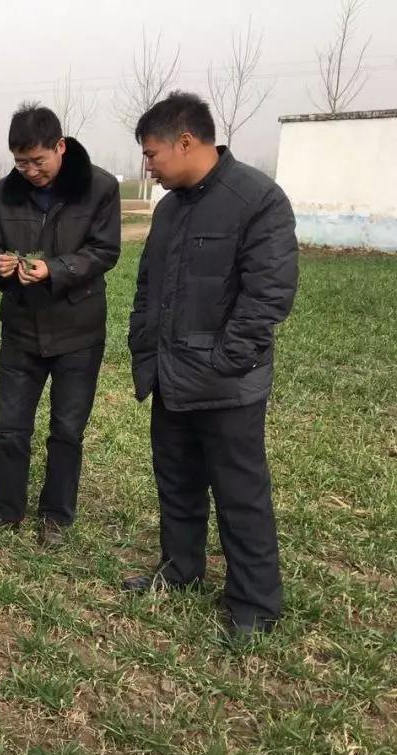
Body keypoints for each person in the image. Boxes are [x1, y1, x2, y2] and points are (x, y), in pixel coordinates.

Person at [123, 92, 299, 641]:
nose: (148, 166)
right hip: (170, 375)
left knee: (240, 493)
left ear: (185, 141)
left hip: (227, 385)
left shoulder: (257, 199)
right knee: (176, 481)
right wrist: (143, 346)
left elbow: (268, 295)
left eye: (151, 154)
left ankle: (253, 604)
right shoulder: (169, 209)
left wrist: (226, 361)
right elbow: (149, 287)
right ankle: (180, 569)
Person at [0, 104, 121, 545]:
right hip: (22, 328)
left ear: (60, 147)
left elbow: (104, 251)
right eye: (22, 163)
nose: (31, 171)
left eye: (39, 161)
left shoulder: (99, 188)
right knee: (11, 427)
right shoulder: (2, 194)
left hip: (78, 331)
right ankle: (4, 511)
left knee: (67, 430)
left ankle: (56, 516)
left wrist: (55, 269)